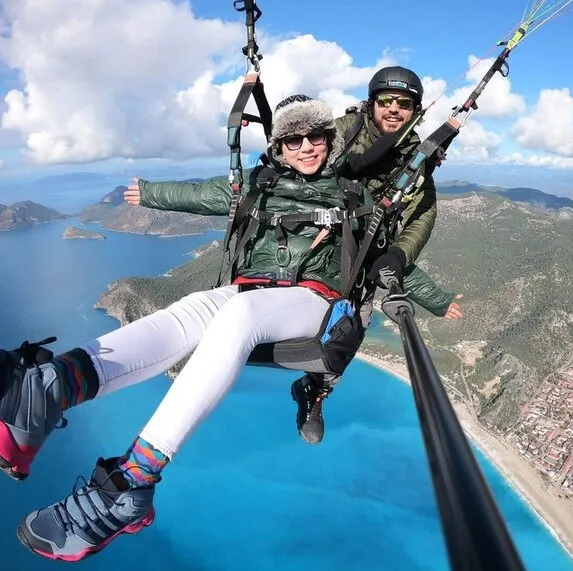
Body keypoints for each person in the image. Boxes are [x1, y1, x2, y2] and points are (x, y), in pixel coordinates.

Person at [0, 94, 410, 562]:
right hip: (250, 290)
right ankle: (54, 387)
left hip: (313, 301)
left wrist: (431, 298)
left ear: (329, 138)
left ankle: (135, 478)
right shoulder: (260, 186)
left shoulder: (353, 191)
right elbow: (203, 194)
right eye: (293, 139)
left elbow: (390, 249)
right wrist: (153, 192)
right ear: (278, 147)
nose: (307, 147)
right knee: (193, 305)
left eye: (316, 136)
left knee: (239, 315)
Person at [291, 66, 451, 444]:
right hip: (310, 243)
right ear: (372, 102)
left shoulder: (417, 160)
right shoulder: (342, 131)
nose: (394, 109)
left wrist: (400, 258)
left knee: (349, 334)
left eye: (404, 103)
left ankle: (313, 393)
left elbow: (421, 215)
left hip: (360, 259)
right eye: (386, 101)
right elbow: (300, 154)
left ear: (415, 110)